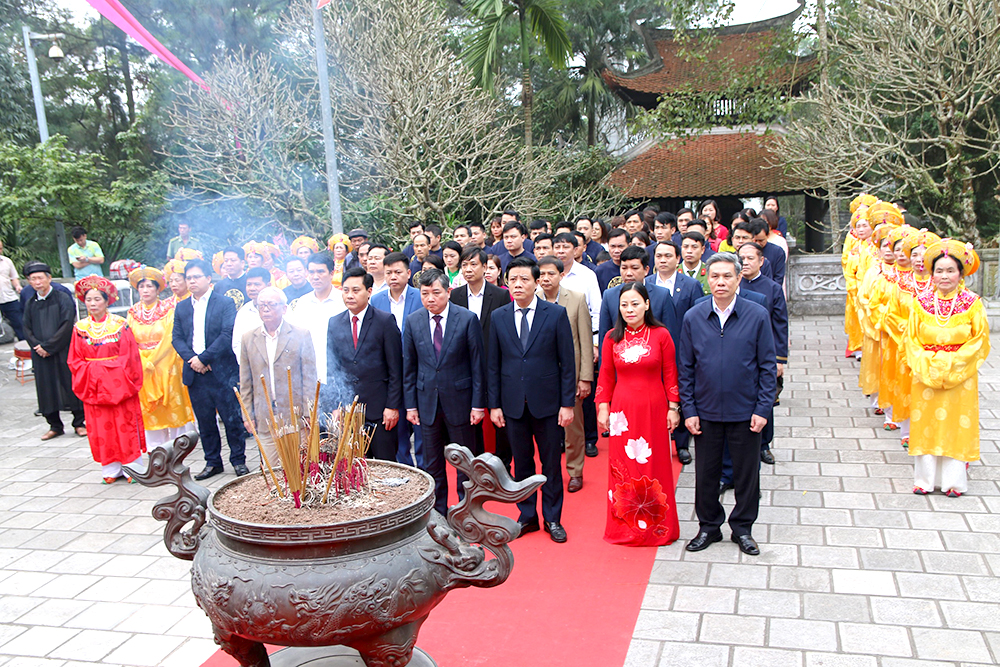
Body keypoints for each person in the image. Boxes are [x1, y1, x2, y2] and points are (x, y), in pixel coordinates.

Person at [679, 253, 775, 556]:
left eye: (727, 276)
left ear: (738, 278)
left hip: (745, 411)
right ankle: (708, 526)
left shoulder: (757, 315)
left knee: (747, 474)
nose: (721, 282)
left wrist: (762, 410)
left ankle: (743, 529)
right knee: (706, 473)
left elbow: (767, 367)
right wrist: (689, 410)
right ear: (707, 278)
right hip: (705, 411)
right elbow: (686, 369)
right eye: (715, 276)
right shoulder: (694, 316)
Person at [487, 257, 576, 543]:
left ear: (537, 282)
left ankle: (553, 518)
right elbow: (493, 365)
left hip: (548, 404)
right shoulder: (498, 316)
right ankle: (527, 516)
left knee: (550, 463)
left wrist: (567, 404)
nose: (518, 284)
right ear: (506, 282)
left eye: (524, 279)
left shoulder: (555, 314)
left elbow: (567, 363)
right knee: (522, 464)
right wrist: (495, 405)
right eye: (513, 279)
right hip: (513, 404)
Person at [595, 281, 680, 546]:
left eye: (635, 304)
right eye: (624, 305)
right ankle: (625, 526)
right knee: (623, 466)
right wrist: (602, 406)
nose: (629, 310)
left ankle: (657, 527)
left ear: (647, 304)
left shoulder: (661, 335)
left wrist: (674, 407)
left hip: (654, 408)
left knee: (654, 465)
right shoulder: (611, 337)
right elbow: (606, 375)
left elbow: (670, 374)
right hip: (622, 411)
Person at [904, 240, 989, 497]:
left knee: (955, 424)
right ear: (932, 274)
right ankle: (925, 480)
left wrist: (952, 363)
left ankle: (954, 482)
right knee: (926, 423)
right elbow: (911, 339)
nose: (944, 276)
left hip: (960, 375)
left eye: (950, 270)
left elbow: (980, 341)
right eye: (939, 271)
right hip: (925, 372)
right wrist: (926, 364)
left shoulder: (972, 303)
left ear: (960, 273)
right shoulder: (920, 303)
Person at [403, 269, 485, 515]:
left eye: (436, 293)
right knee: (432, 463)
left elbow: (477, 365)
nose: (430, 299)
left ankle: (466, 512)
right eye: (424, 294)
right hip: (426, 401)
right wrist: (410, 406)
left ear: (448, 292)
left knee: (464, 461)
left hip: (460, 400)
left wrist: (478, 405)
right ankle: (437, 513)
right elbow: (409, 366)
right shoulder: (414, 320)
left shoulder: (467, 319)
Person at [172, 258, 249, 480]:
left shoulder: (224, 303)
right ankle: (212, 462)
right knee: (205, 422)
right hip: (195, 373)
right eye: (189, 278)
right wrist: (193, 360)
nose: (192, 281)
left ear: (208, 278)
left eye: (196, 277)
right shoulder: (182, 306)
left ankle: (239, 461)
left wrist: (205, 358)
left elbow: (227, 334)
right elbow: (176, 338)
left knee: (232, 420)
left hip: (221, 371)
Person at [67, 276, 146, 482]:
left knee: (124, 423)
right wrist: (95, 372)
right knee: (101, 427)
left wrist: (105, 371)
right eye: (89, 300)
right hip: (93, 385)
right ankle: (110, 468)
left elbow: (130, 357)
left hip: (119, 385)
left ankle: (132, 467)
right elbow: (75, 360)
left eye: (97, 299)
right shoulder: (80, 328)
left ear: (106, 301)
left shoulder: (120, 325)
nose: (93, 304)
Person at [327, 268, 403, 461]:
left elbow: (396, 368)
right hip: (349, 410)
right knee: (354, 466)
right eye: (345, 290)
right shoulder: (334, 323)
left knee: (386, 466)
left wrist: (392, 406)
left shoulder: (384, 321)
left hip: (380, 410)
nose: (350, 296)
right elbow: (333, 368)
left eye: (355, 290)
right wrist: (336, 405)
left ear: (369, 292)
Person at [239, 286, 317, 465]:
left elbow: (309, 377)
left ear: (284, 308)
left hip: (295, 414)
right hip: (265, 415)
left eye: (271, 305)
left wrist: (309, 412)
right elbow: (246, 380)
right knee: (271, 470)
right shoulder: (248, 338)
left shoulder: (300, 334)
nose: (265, 309)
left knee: (300, 467)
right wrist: (248, 415)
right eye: (261, 305)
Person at [537, 257, 593, 492]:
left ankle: (575, 471)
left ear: (561, 275)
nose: (546, 278)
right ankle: (547, 472)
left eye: (551, 273)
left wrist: (585, 377)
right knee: (547, 428)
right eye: (542, 274)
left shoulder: (577, 298)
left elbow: (585, 339)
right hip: (543, 375)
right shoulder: (534, 298)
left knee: (573, 427)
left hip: (571, 372)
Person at [126, 266, 195, 449]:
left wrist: (154, 360)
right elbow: (129, 340)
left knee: (171, 406)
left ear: (158, 289)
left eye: (150, 286)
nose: (146, 290)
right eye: (142, 287)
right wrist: (142, 360)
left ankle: (179, 447)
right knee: (149, 410)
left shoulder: (168, 309)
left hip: (166, 364)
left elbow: (170, 337)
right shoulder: (132, 313)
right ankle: (155, 450)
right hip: (142, 365)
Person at [648, 241, 703, 465]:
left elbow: (698, 318)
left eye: (668, 256)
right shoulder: (646, 283)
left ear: (678, 259)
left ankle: (681, 444)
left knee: (677, 392)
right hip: (650, 349)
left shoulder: (689, 285)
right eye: (659, 255)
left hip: (681, 347)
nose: (662, 260)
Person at [736, 243, 788, 467]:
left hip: (764, 352)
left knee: (766, 398)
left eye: (750, 258)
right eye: (742, 258)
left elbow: (780, 324)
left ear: (761, 261)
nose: (745, 262)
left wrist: (779, 358)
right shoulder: (732, 284)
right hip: (741, 353)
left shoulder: (772, 288)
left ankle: (764, 444)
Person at [22, 261, 87, 440]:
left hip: (62, 349)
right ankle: (54, 425)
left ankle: (79, 423)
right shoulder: (30, 302)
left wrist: (49, 346)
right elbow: (26, 328)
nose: (37, 282)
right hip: (40, 354)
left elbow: (67, 324)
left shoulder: (62, 298)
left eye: (40, 278)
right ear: (29, 282)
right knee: (45, 388)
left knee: (68, 384)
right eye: (33, 279)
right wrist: (38, 346)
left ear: (49, 278)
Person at [372, 252, 425, 466]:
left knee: (421, 427)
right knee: (397, 427)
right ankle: (405, 470)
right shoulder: (376, 300)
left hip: (417, 371)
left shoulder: (420, 296)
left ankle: (425, 469)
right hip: (390, 374)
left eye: (398, 272)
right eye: (389, 273)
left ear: (408, 273)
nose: (393, 276)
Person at [598, 246, 675, 360]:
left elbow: (671, 335)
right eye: (624, 268)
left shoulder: (662, 295)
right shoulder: (609, 295)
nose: (629, 273)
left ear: (646, 270)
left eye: (634, 268)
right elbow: (604, 335)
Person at [286, 253, 347, 386]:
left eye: (320, 272)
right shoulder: (302, 303)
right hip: (308, 373)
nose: (315, 277)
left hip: (338, 372)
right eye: (311, 272)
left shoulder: (343, 301)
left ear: (332, 273)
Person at [231, 267, 270, 361]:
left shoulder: (281, 308)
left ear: (268, 285)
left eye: (257, 284)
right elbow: (237, 343)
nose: (252, 288)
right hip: (251, 366)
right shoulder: (244, 311)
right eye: (249, 284)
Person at [0, 240, 24, 340]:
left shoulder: (7, 261)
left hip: (8, 297)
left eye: (0, 248)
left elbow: (13, 277)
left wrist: (17, 286)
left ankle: (24, 346)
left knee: (19, 323)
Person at [596, 229, 630, 293]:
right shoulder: (600, 270)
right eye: (613, 246)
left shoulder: (636, 268)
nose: (616, 251)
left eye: (620, 246)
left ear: (629, 245)